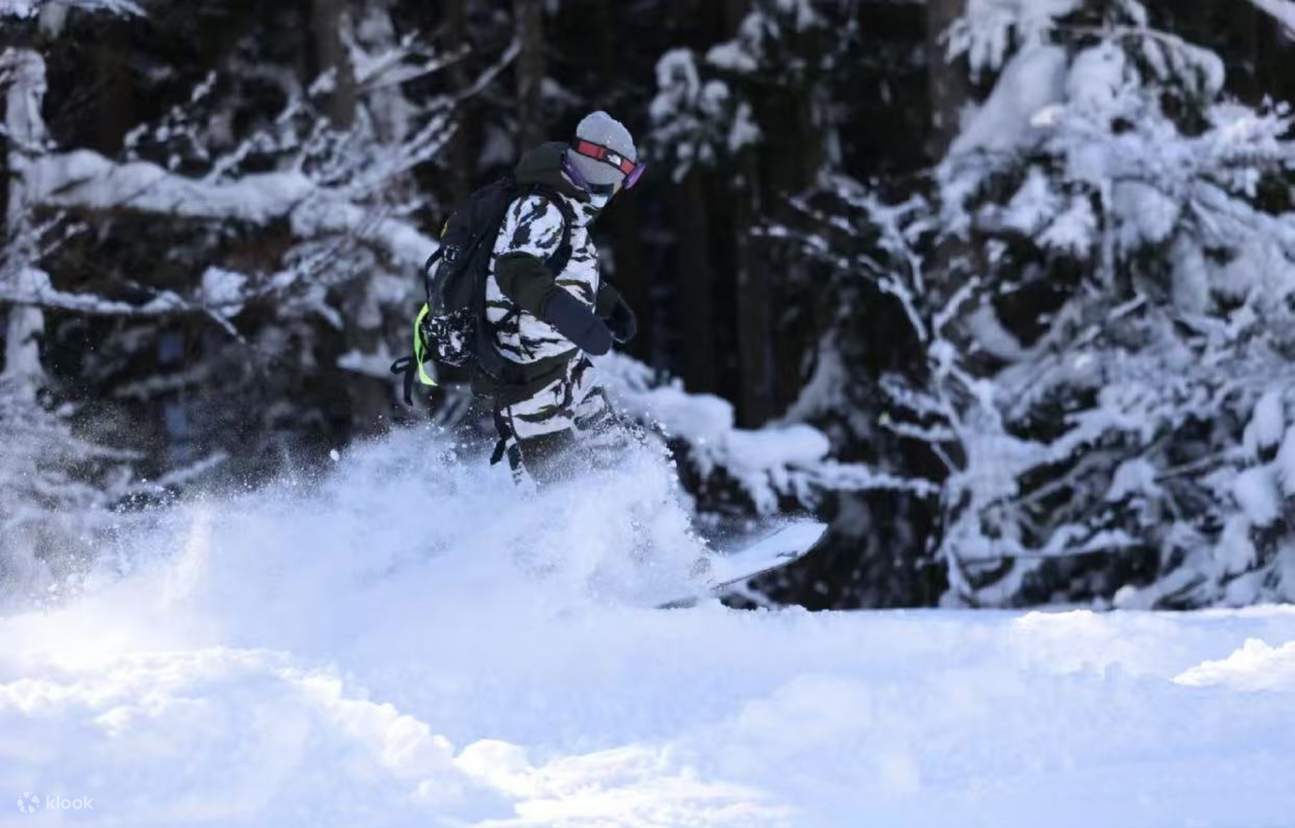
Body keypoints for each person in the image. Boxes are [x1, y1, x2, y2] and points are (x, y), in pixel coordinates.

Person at [481, 111, 645, 483]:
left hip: (566, 364)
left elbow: (562, 270)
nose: (622, 189)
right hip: (530, 374)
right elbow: (516, 271)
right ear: (604, 168)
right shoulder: (542, 207)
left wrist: (606, 304)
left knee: (617, 459)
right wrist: (574, 319)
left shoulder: (567, 207)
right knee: (560, 487)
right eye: (625, 179)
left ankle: (644, 537)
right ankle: (555, 543)